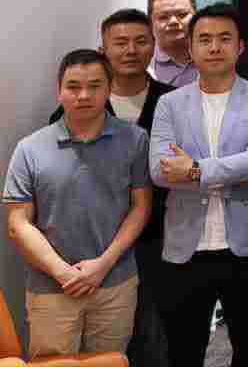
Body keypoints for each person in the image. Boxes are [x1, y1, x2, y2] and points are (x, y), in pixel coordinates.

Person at [148, 3, 248, 367]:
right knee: (184, 351)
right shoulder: (169, 104)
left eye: (225, 38)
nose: (214, 47)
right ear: (190, 48)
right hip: (186, 247)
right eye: (204, 39)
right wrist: (230, 170)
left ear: (240, 47)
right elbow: (159, 170)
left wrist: (195, 171)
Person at [44, 10, 174, 367]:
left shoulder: (175, 100)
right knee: (95, 346)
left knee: (153, 336)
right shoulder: (72, 110)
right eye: (120, 42)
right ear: (103, 49)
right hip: (93, 247)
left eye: (140, 41)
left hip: (160, 240)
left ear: (154, 46)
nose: (131, 50)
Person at [4, 50, 152, 359]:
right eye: (73, 86)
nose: (83, 95)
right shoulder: (29, 148)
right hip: (51, 288)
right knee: (52, 364)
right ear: (59, 90)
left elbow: (140, 207)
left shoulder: (135, 140)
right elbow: (18, 223)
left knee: (109, 361)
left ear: (109, 88)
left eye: (94, 85)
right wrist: (63, 273)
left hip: (115, 283)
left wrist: (102, 265)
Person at [148, 0, 198, 86]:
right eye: (163, 17)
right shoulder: (142, 62)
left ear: (196, 17)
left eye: (182, 15)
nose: (173, 22)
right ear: (151, 23)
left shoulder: (216, 55)